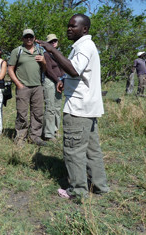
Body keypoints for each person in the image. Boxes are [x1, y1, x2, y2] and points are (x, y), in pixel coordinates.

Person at [37, 14, 110, 199]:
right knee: (92, 149)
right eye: (68, 26)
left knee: (73, 149)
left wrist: (51, 51)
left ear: (84, 29)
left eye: (73, 26)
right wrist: (63, 80)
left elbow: (74, 69)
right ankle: (99, 185)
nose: (69, 29)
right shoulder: (82, 46)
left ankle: (78, 191)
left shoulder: (84, 47)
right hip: (87, 107)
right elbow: (77, 74)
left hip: (78, 108)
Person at [8, 29, 47, 146]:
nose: (29, 39)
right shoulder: (17, 51)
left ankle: (35, 137)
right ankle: (20, 137)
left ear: (34, 38)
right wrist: (18, 84)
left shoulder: (40, 51)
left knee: (38, 113)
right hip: (23, 87)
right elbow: (10, 69)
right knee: (22, 113)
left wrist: (44, 61)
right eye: (26, 37)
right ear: (23, 38)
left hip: (38, 87)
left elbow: (44, 70)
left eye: (31, 37)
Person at [42, 34, 65, 142]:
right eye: (51, 42)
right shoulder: (46, 55)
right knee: (50, 107)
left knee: (57, 107)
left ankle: (55, 130)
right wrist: (58, 80)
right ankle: (48, 133)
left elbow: (64, 68)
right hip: (50, 81)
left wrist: (62, 80)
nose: (53, 43)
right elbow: (49, 70)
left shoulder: (59, 54)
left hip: (59, 81)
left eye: (55, 41)